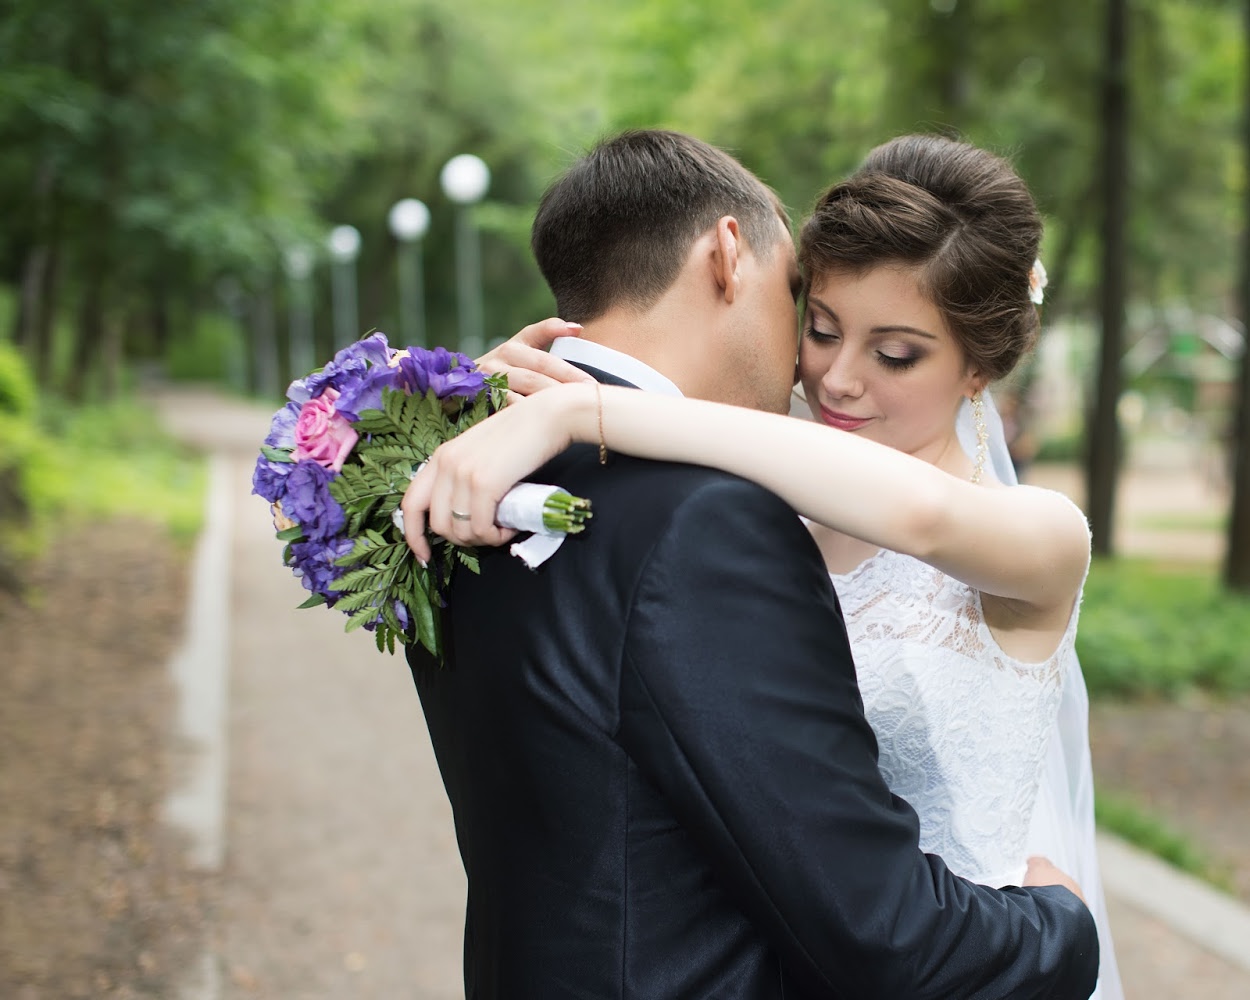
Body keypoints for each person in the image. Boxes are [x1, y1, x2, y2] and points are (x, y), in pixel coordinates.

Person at [402, 128, 1100, 999]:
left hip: (972, 961)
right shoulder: (750, 518)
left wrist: (577, 412)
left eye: (894, 354)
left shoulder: (1039, 530)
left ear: (976, 371)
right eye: (819, 328)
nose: (838, 379)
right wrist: (497, 393)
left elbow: (921, 516)